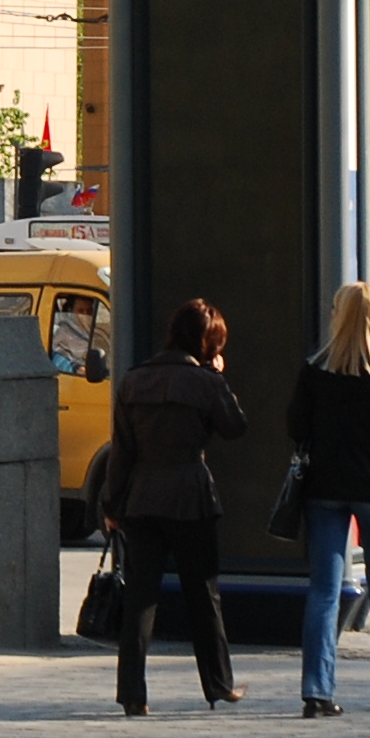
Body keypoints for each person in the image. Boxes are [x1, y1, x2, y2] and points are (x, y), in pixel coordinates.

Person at [288, 280, 370, 719]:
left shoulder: (315, 371)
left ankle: (317, 690)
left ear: (339, 317)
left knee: (324, 591)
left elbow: (296, 426)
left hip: (325, 488)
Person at [106, 296, 246, 715]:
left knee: (140, 600)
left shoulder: (133, 381)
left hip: (142, 497)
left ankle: (132, 693)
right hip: (190, 497)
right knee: (203, 595)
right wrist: (219, 379)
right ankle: (218, 685)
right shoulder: (206, 383)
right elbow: (235, 427)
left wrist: (113, 505)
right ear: (207, 343)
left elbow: (122, 451)